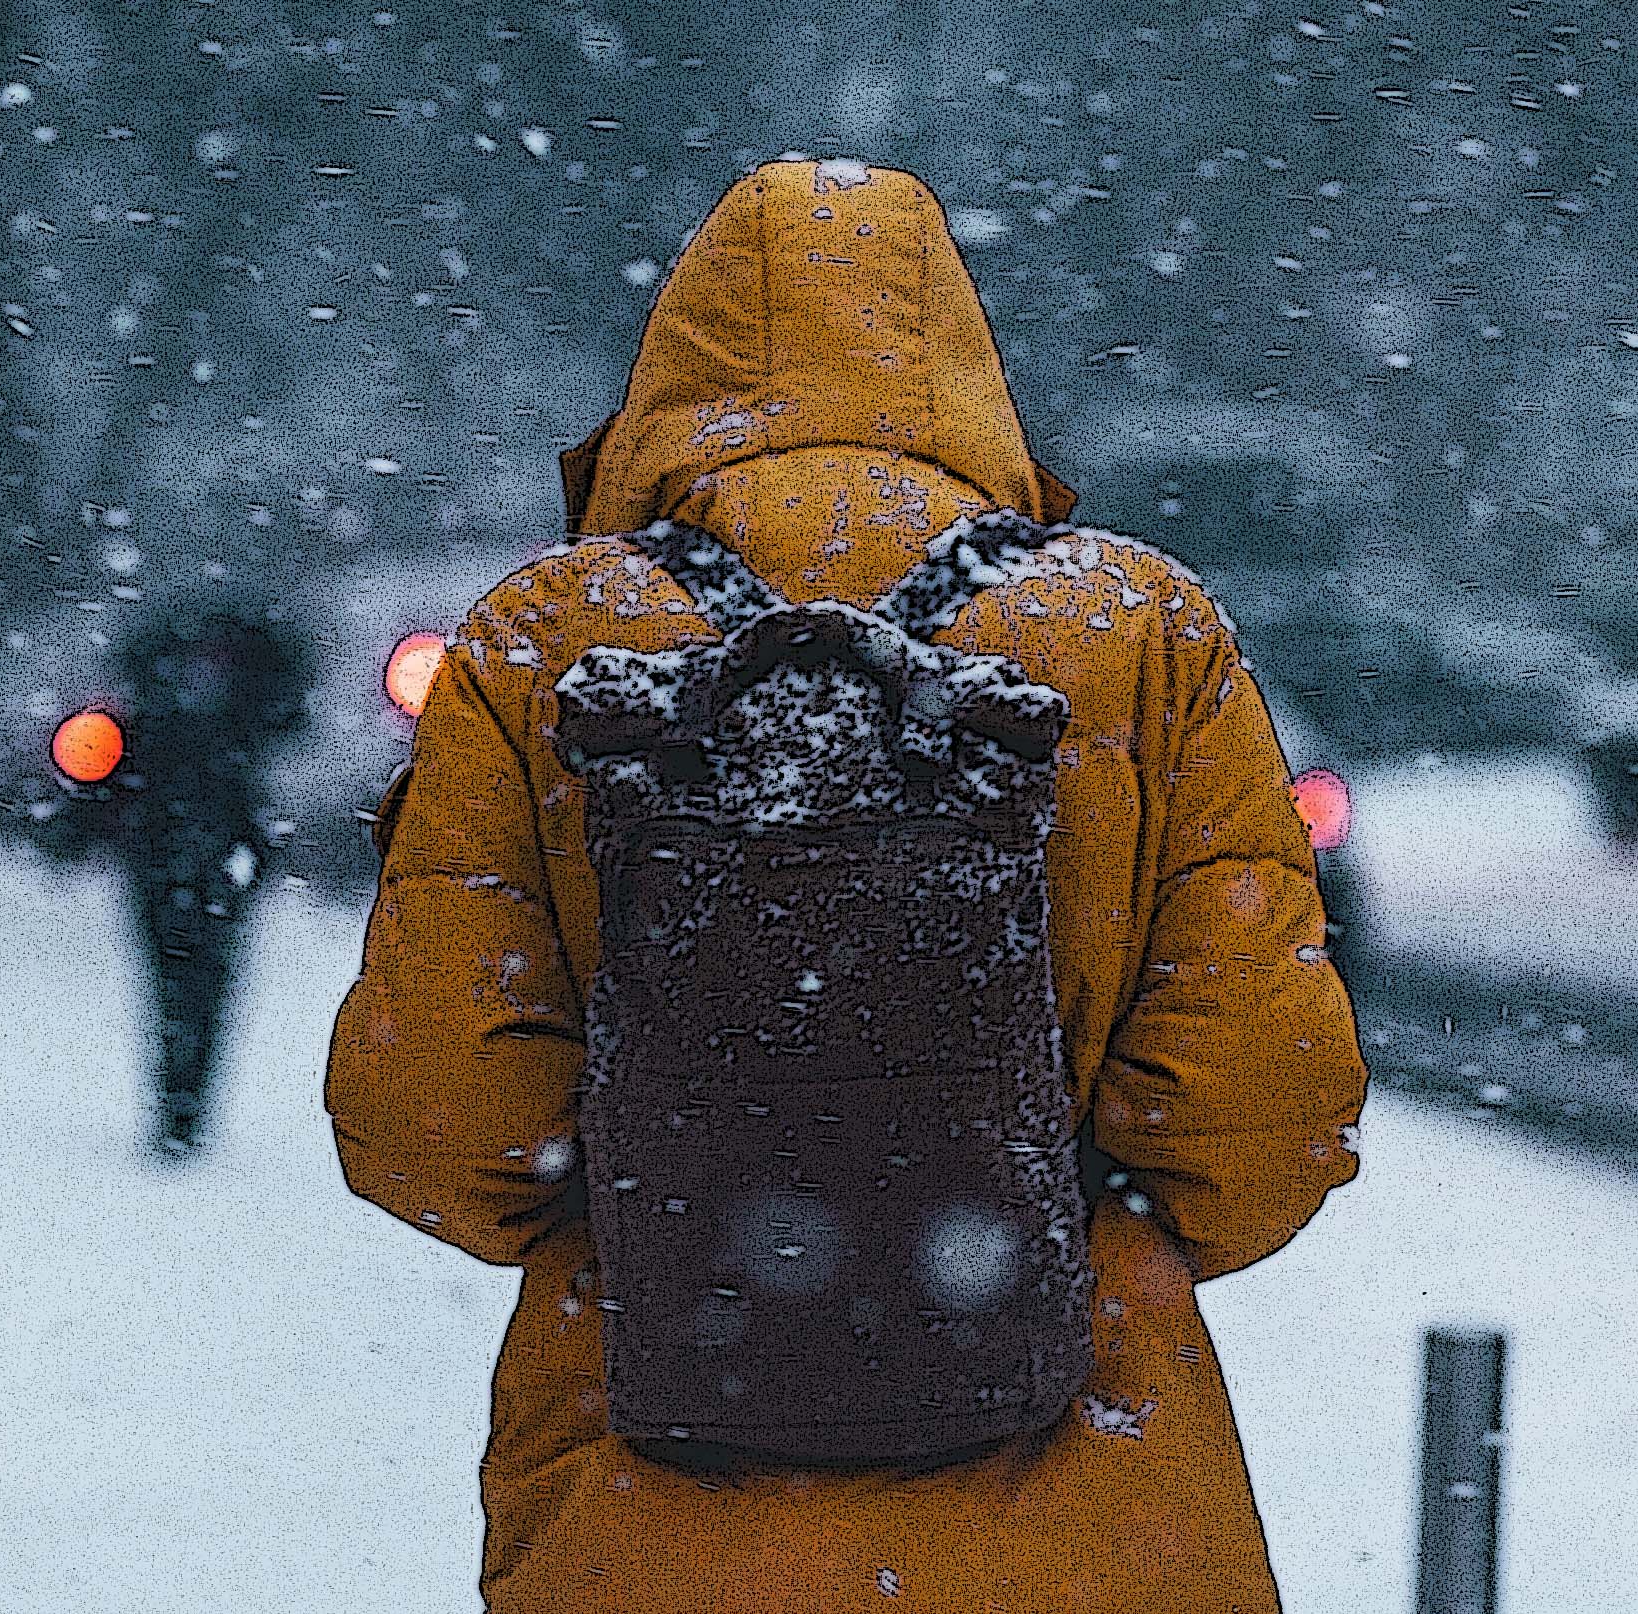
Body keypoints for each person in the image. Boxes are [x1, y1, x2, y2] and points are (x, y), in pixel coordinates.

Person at [324, 160, 1371, 1610]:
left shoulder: (544, 641)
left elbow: (432, 1132)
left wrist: (686, 1188)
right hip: (1087, 1524)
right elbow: (1257, 1129)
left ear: (671, 374)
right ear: (961, 365)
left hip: (641, 1517)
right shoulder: (1139, 629)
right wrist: (1010, 1209)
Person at [100, 607, 307, 1158]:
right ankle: (181, 1102)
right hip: (185, 859)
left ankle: (183, 1104)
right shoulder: (219, 713)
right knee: (182, 985)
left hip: (195, 860)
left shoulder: (198, 710)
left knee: (192, 986)